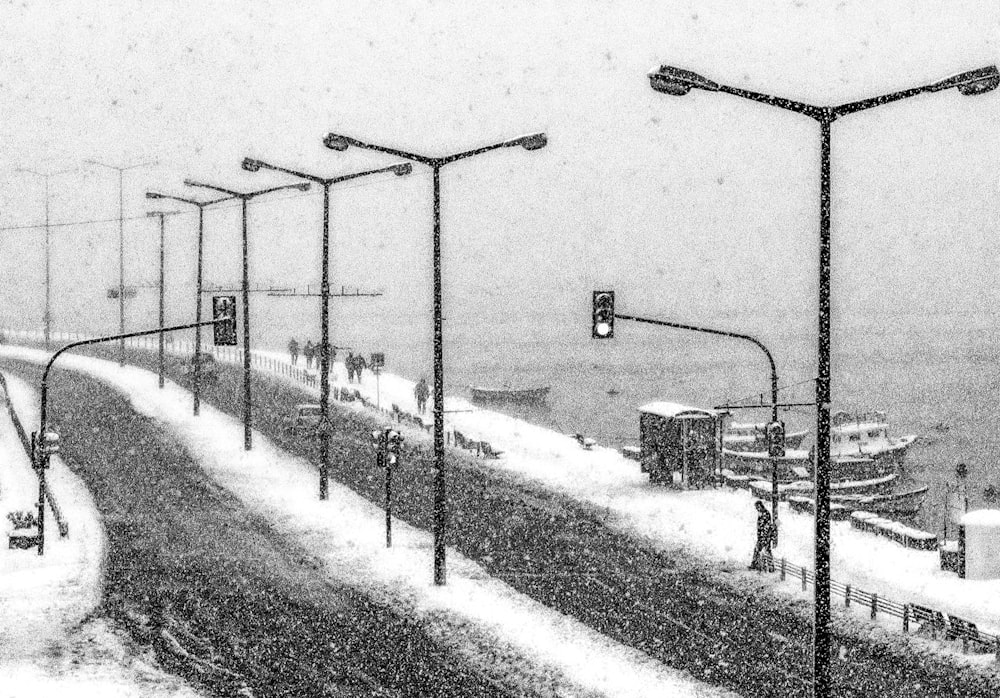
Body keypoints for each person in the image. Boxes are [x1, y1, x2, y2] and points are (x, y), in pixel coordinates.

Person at [750, 500, 775, 571]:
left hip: (765, 537)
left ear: (760, 506)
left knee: (765, 551)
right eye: (756, 508)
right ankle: (756, 565)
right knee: (759, 550)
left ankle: (769, 567)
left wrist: (764, 537)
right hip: (762, 537)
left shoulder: (765, 514)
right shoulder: (761, 513)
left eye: (757, 507)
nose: (757, 509)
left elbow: (766, 527)